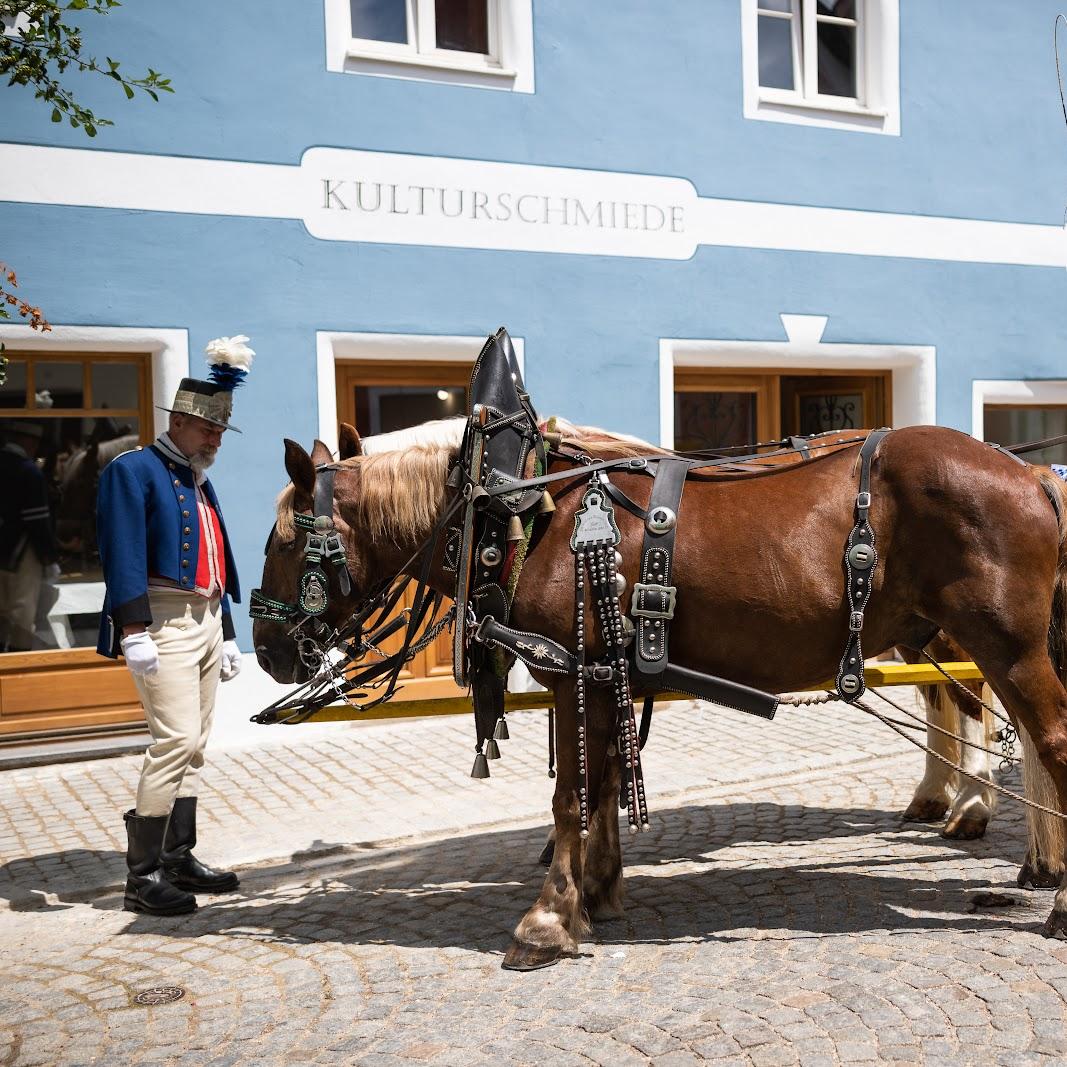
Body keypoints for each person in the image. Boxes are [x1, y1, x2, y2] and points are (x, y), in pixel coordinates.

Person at [97, 335, 253, 916]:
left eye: (220, 432)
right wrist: (132, 628)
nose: (216, 440)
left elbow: (215, 556)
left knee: (196, 748)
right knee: (175, 741)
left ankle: (177, 858)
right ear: (182, 422)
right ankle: (141, 876)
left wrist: (229, 630)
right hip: (161, 622)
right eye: (210, 430)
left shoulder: (195, 476)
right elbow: (122, 553)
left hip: (206, 619)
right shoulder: (132, 470)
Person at [0, 420, 59, 651]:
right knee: (22, 611)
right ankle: (19, 659)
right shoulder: (28, 470)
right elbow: (37, 521)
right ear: (28, 441)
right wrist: (49, 557)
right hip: (22, 551)